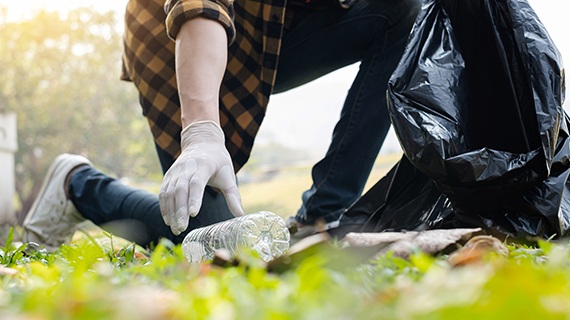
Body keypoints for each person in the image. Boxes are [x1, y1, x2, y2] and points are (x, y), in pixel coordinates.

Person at [22, 0, 421, 249]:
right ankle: (77, 184)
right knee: (215, 238)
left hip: (269, 32)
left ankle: (320, 216)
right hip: (176, 36)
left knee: (402, 12)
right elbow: (200, 4)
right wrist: (201, 133)